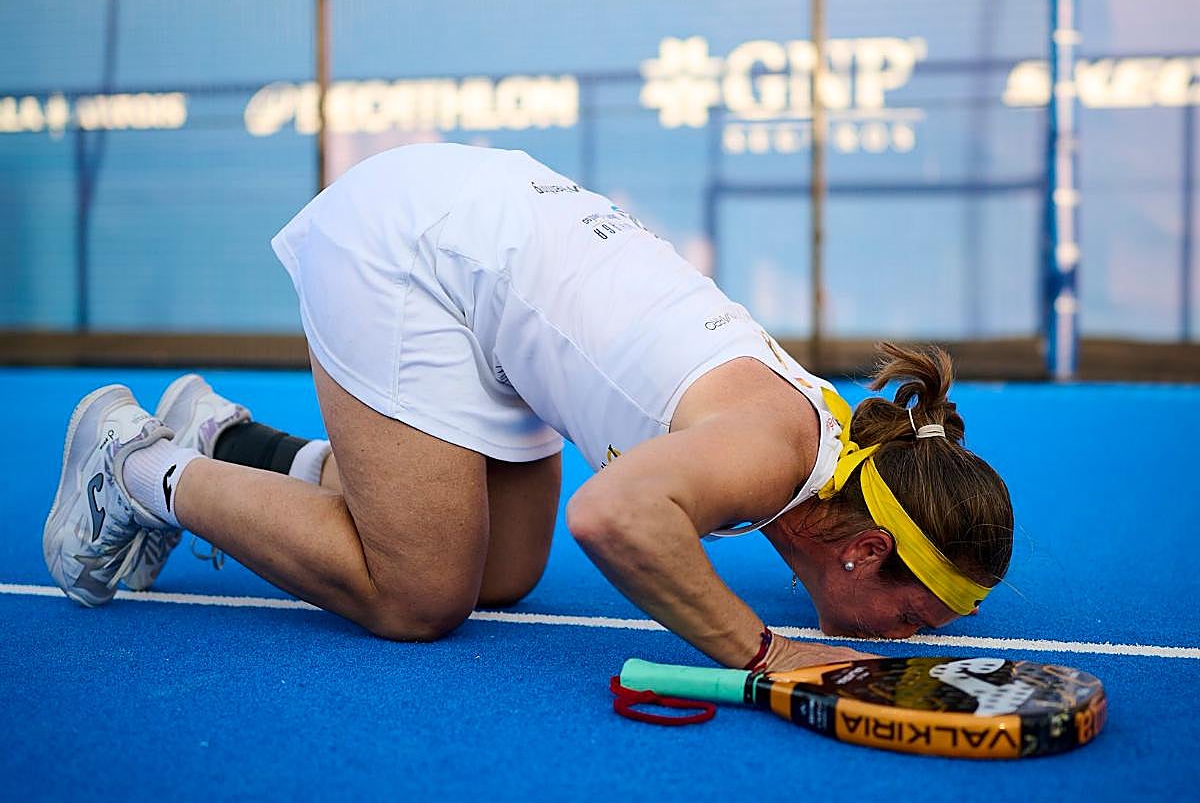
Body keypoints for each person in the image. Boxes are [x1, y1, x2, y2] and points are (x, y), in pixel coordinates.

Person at [43, 143, 1013, 672]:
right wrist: (764, 654)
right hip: (413, 250)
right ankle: (134, 466)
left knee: (501, 575)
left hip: (491, 263)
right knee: (420, 599)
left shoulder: (819, 447)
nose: (917, 635)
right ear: (866, 550)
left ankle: (227, 437)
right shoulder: (771, 451)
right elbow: (613, 513)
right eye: (922, 613)